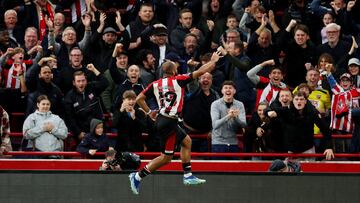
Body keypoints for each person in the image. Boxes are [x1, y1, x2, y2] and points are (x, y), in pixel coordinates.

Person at [129, 51, 221, 195]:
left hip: (164, 120)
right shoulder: (179, 80)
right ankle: (137, 176)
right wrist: (213, 61)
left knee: (187, 142)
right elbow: (201, 71)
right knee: (166, 158)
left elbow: (139, 98)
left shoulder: (155, 84)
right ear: (173, 71)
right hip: (169, 122)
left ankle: (188, 175)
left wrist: (149, 112)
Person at [267, 91, 334, 161]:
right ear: (292, 101)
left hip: (308, 150)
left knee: (310, 170)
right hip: (291, 152)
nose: (299, 101)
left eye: (301, 99)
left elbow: (326, 130)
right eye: (296, 99)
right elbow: (268, 109)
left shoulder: (312, 112)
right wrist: (268, 112)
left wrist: (329, 147)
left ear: (305, 101)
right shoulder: (286, 111)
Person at [64, 64, 108, 145]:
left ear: (86, 81)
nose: (81, 83)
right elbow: (70, 118)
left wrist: (94, 69)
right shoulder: (69, 97)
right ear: (74, 83)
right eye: (78, 81)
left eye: (83, 80)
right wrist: (78, 132)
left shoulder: (92, 87)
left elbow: (105, 83)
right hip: (84, 134)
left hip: (99, 130)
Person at [210, 80, 247, 159]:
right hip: (218, 143)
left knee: (233, 170)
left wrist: (235, 118)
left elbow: (244, 124)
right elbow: (215, 125)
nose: (228, 90)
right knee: (218, 169)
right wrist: (228, 116)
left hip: (233, 143)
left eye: (230, 88)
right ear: (222, 91)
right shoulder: (215, 104)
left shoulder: (239, 104)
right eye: (225, 88)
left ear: (234, 91)